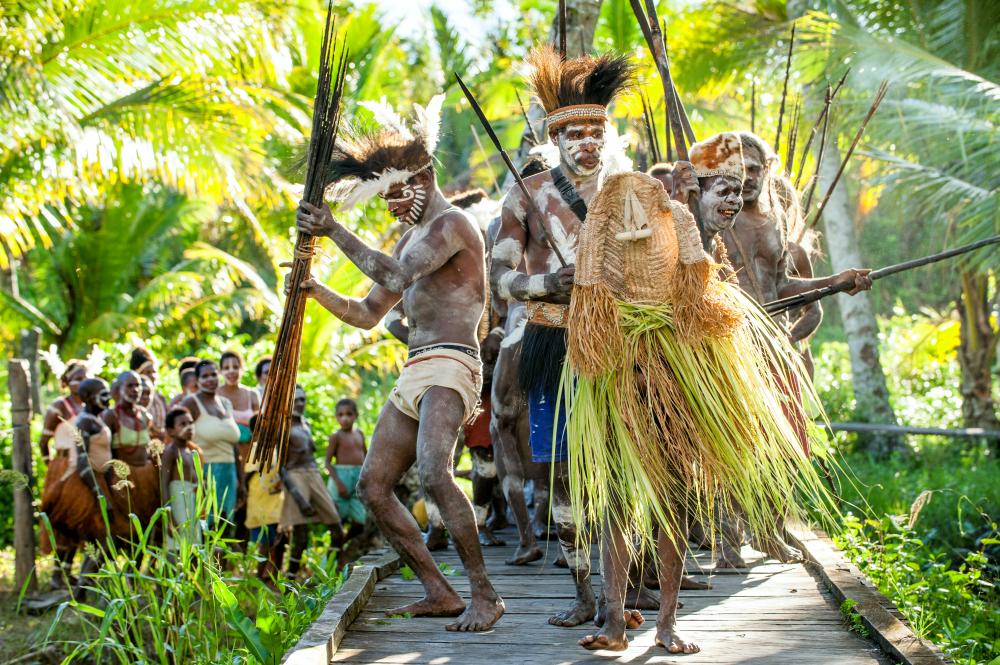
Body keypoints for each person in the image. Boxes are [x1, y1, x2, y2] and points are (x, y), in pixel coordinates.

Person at [292, 93, 504, 632]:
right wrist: (316, 292)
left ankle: (485, 594)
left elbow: (391, 276)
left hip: (454, 363)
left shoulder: (453, 226)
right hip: (415, 370)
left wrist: (334, 229)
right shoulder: (411, 240)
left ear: (425, 176)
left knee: (435, 471)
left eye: (395, 192)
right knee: (373, 486)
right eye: (382, 197)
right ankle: (440, 590)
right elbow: (367, 313)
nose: (389, 206)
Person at [491, 45, 636, 629]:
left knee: (626, 466)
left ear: (606, 135)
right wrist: (547, 280)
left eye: (594, 132)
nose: (586, 144)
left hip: (623, 340)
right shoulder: (529, 194)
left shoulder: (629, 191)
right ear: (556, 139)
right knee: (568, 472)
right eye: (573, 133)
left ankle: (623, 593)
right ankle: (581, 592)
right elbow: (500, 278)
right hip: (553, 340)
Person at [280, 386, 343, 578]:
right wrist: (298, 497)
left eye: (302, 400)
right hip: (295, 475)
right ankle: (290, 580)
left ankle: (328, 573)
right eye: (295, 400)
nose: (300, 404)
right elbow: (280, 466)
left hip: (313, 473)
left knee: (337, 527)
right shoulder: (283, 427)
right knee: (301, 534)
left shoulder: (305, 424)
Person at [38, 360, 87, 585]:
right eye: (77, 379)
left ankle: (68, 569)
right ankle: (57, 573)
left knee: (79, 520)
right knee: (61, 520)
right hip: (63, 468)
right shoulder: (59, 405)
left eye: (85, 378)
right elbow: (43, 441)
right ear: (66, 382)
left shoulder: (88, 406)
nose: (81, 383)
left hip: (83, 469)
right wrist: (53, 466)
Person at [181, 360, 243, 525]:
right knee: (206, 525)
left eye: (213, 374)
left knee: (226, 525)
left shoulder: (226, 403)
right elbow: (179, 436)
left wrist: (241, 480)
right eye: (205, 376)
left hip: (229, 472)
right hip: (205, 472)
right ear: (198, 380)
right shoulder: (191, 403)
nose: (210, 379)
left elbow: (234, 445)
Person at [102, 370, 161, 528]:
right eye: (130, 386)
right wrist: (107, 488)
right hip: (122, 480)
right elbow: (105, 454)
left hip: (146, 479)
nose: (135, 390)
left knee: (147, 527)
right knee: (125, 528)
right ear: (119, 388)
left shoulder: (145, 416)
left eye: (137, 386)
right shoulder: (110, 416)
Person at [245, 413, 286, 584]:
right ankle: (259, 576)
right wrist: (243, 492)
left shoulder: (277, 448)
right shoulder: (256, 449)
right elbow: (248, 474)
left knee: (278, 538)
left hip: (276, 500)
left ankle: (274, 576)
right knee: (264, 540)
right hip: (260, 500)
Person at [159, 407, 204, 548]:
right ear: (170, 430)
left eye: (190, 423)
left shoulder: (192, 451)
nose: (189, 427)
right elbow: (164, 485)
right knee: (179, 546)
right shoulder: (170, 452)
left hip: (192, 503)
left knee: (195, 546)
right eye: (182, 424)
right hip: (178, 502)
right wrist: (170, 519)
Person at [325, 398, 367, 535]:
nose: (345, 418)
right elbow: (327, 463)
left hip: (357, 478)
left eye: (349, 414)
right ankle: (336, 552)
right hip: (340, 480)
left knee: (359, 522)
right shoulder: (336, 437)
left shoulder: (360, 434)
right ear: (336, 417)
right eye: (340, 415)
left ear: (356, 415)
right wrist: (339, 484)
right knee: (338, 520)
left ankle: (343, 543)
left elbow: (366, 457)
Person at [131, 347, 168, 440]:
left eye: (154, 372)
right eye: (148, 372)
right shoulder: (132, 399)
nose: (152, 376)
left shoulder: (161, 399)